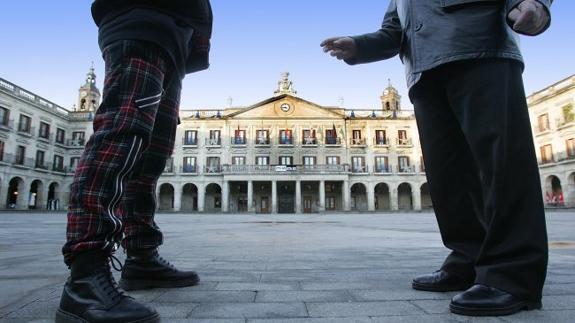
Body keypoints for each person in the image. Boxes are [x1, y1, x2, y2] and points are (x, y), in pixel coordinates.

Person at [321, 0, 551, 317]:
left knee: (503, 165)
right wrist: (359, 45)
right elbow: (393, 31)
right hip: (423, 72)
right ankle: (468, 257)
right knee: (449, 177)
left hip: (479, 48)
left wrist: (534, 2)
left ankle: (513, 276)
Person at [56, 1, 212, 322]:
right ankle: (85, 277)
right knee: (120, 136)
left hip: (172, 42)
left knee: (150, 155)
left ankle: (142, 257)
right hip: (142, 20)